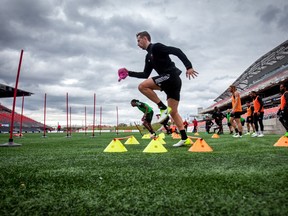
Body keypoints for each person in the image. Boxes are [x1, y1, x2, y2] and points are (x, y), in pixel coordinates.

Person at [122, 31, 198, 147]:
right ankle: (184, 138)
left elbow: (176, 51)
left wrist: (189, 67)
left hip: (171, 77)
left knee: (142, 86)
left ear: (145, 38)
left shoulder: (156, 47)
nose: (137, 44)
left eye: (138, 40)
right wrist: (128, 73)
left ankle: (162, 108)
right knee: (173, 112)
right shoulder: (148, 57)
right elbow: (145, 74)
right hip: (169, 82)